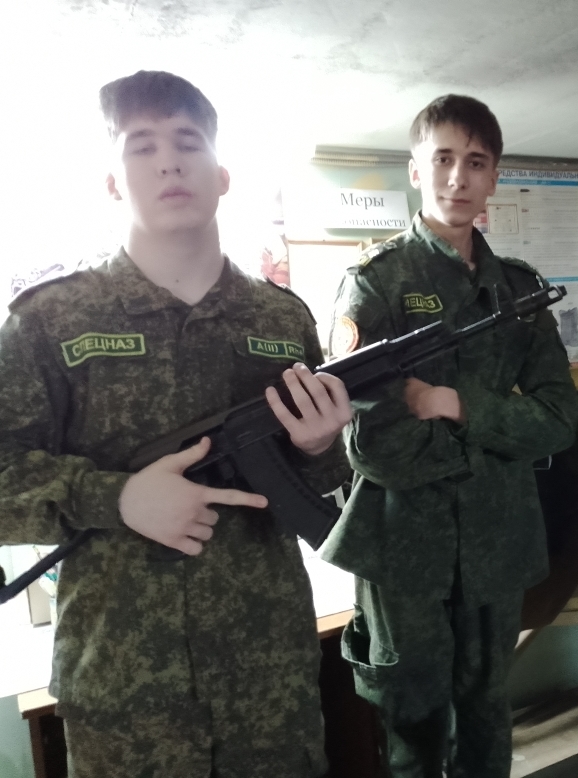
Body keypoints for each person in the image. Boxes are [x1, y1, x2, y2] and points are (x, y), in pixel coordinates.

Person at [0, 71, 353, 778]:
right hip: (127, 691)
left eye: (188, 142)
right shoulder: (50, 320)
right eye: (142, 146)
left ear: (222, 176)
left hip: (269, 677)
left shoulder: (281, 319)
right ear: (112, 181)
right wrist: (119, 498)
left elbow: (314, 481)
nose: (169, 161)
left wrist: (320, 448)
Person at [321, 94, 578, 778]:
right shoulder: (376, 285)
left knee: (488, 712)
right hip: (406, 546)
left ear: (494, 177)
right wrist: (499, 439)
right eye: (442, 160)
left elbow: (560, 418)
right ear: (416, 171)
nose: (458, 178)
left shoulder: (517, 290)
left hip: (497, 541)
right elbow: (374, 446)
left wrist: (455, 405)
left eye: (476, 162)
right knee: (414, 722)